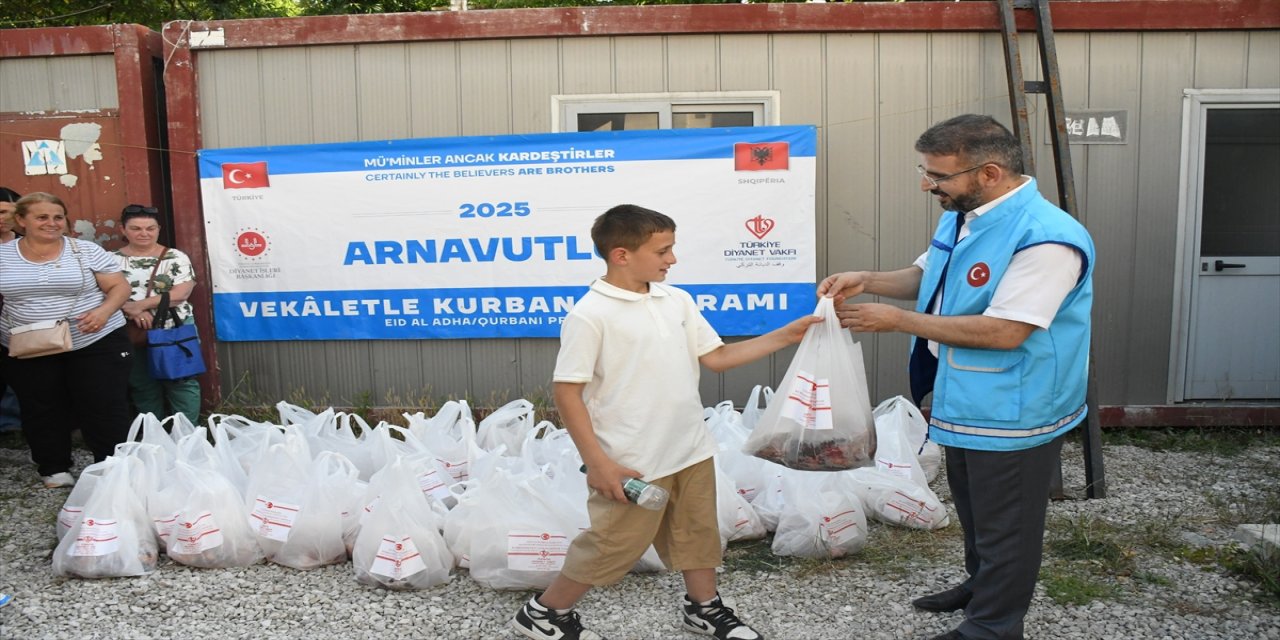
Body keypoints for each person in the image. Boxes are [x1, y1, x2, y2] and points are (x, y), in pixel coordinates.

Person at [818, 114, 1094, 640]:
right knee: (974, 504)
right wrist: (867, 279)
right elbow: (928, 276)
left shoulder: (1047, 239)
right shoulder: (967, 213)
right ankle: (981, 585)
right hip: (965, 393)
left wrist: (897, 321)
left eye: (937, 176)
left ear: (988, 172)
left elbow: (1007, 331)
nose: (927, 184)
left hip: (1013, 403)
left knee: (1007, 519)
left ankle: (993, 625)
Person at [510, 204, 821, 640]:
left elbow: (717, 358)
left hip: (689, 447)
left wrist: (788, 334)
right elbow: (567, 391)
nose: (672, 259)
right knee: (612, 543)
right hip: (632, 460)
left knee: (698, 534)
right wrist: (598, 463)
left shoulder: (676, 300)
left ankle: (703, 609)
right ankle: (544, 613)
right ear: (621, 255)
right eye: (663, 250)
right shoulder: (590, 314)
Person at [0, 192, 134, 488]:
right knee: (42, 406)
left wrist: (103, 311)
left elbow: (120, 288)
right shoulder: (4, 255)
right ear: (21, 220)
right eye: (42, 217)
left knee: (103, 404)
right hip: (29, 343)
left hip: (95, 338)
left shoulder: (85, 250)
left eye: (58, 217)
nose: (52, 223)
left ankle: (112, 467)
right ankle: (54, 467)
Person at [113, 204, 201, 424]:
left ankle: (188, 435)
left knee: (181, 381)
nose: (144, 233)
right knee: (141, 384)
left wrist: (139, 305)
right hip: (132, 330)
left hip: (174, 328)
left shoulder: (174, 257)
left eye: (150, 228)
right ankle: (156, 435)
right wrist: (133, 312)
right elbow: (103, 293)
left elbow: (181, 293)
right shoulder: (110, 260)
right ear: (123, 230)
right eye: (136, 228)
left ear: (158, 229)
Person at [0, 188, 22, 433]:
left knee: (17, 371)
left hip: (17, 319)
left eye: (6, 212)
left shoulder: (25, 245)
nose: (2, 218)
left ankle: (12, 424)